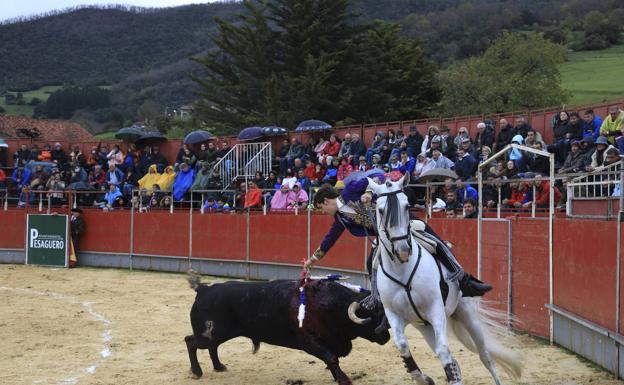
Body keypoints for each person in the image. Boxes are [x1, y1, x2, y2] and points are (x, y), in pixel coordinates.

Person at [304, 176, 492, 327]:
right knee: (371, 263)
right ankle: (381, 303)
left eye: (320, 208)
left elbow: (375, 178)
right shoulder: (341, 220)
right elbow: (329, 240)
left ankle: (464, 280)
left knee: (436, 242)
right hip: (386, 238)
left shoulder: (350, 190)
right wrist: (312, 260)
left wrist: (369, 193)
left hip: (402, 223)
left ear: (326, 200)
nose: (321, 212)